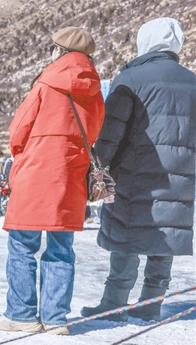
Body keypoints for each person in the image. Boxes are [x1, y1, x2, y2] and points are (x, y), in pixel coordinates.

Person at [0, 27, 105, 335]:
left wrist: (23, 153)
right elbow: (94, 132)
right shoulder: (95, 90)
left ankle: (21, 315)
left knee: (22, 245)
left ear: (59, 51)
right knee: (61, 247)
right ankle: (55, 319)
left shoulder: (46, 82)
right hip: (71, 175)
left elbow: (19, 130)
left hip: (36, 173)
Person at [81, 18, 196, 322]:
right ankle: (151, 305)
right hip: (181, 178)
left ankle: (114, 304)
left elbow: (110, 134)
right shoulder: (193, 81)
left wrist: (98, 169)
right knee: (165, 238)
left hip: (132, 174)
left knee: (125, 237)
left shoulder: (131, 78)